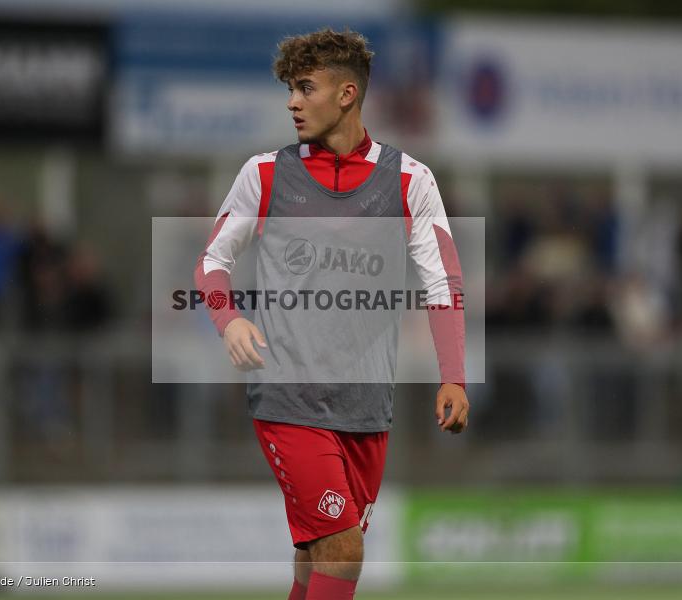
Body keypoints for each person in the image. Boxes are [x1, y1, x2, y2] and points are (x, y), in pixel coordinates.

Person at [193, 28, 468, 600]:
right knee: (344, 550)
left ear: (347, 94)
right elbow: (212, 264)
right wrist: (230, 319)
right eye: (290, 90)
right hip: (289, 400)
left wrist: (454, 375)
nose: (292, 102)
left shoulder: (410, 181)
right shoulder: (264, 174)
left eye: (304, 88)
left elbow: (442, 280)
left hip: (367, 409)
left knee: (315, 558)